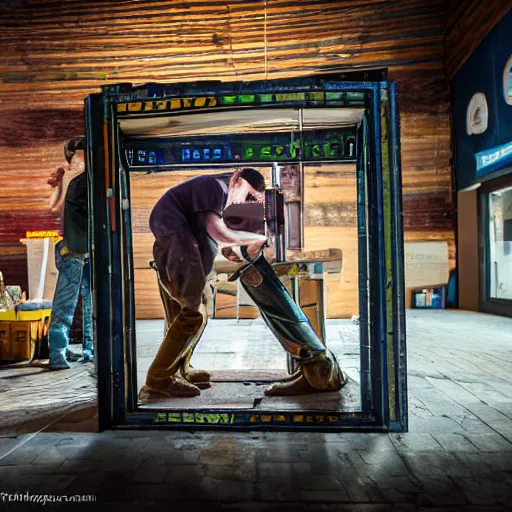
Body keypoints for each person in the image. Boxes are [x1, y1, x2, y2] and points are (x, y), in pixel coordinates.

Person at [139, 168, 267, 399]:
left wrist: (229, 247)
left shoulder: (218, 196)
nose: (245, 202)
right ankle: (159, 379)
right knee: (192, 315)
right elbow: (219, 232)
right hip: (180, 250)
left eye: (252, 200)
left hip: (184, 251)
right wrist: (260, 238)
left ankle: (179, 368)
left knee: (198, 311)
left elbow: (211, 232)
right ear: (236, 178)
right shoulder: (213, 186)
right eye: (247, 195)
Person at [47, 137, 93, 370]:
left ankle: (85, 349)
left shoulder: (80, 178)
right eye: (82, 152)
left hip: (81, 249)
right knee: (66, 305)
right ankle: (57, 354)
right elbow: (55, 207)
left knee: (89, 304)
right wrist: (61, 183)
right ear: (74, 155)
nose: (85, 155)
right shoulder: (78, 180)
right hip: (74, 249)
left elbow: (54, 206)